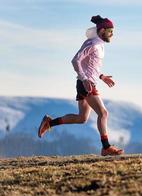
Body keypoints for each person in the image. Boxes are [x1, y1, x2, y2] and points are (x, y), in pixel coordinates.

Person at [38, 15, 124, 156]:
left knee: (82, 118)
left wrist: (101, 76)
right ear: (102, 30)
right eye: (110, 31)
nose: (112, 34)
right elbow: (75, 60)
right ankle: (106, 147)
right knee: (103, 113)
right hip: (86, 84)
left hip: (86, 82)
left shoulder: (99, 45)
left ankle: (49, 122)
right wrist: (84, 79)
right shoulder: (92, 44)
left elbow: (90, 66)